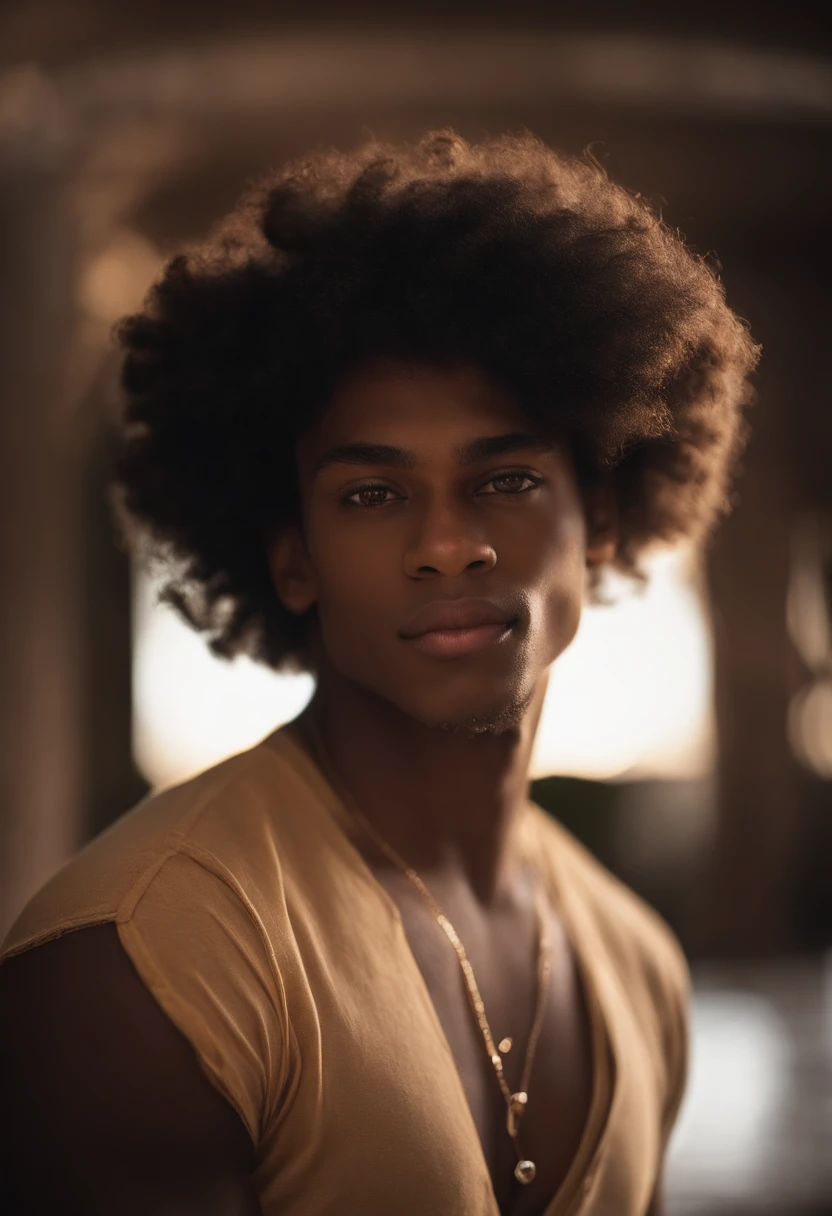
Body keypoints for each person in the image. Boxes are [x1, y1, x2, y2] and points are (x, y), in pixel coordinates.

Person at [0, 128, 759, 1215]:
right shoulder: (136, 966)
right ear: (291, 558)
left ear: (600, 521)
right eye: (372, 493)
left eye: (503, 478)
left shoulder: (638, 965)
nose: (448, 543)